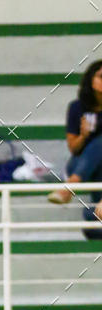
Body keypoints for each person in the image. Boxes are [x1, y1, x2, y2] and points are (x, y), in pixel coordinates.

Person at [48, 59, 102, 214]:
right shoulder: (77, 107)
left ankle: (69, 188)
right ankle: (74, 182)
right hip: (79, 164)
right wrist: (83, 136)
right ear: (91, 80)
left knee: (90, 219)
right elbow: (73, 148)